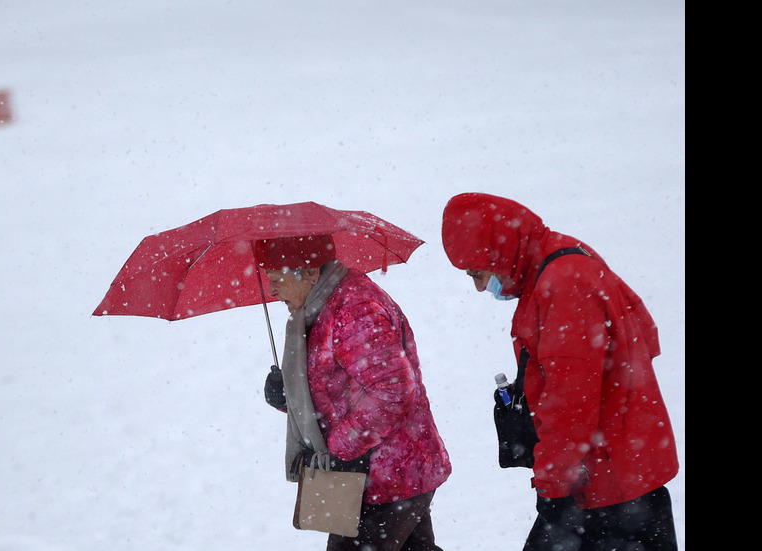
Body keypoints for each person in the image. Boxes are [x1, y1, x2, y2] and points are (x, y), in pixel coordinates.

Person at [440, 192, 679, 551]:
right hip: (617, 474)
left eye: (478, 272)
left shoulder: (564, 284)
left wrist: (554, 483)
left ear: (498, 252)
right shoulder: (563, 259)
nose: (477, 287)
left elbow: (571, 402)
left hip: (609, 489)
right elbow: (643, 334)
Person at [255, 234, 451, 551]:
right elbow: (341, 389)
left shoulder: (354, 310)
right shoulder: (322, 307)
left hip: (387, 477)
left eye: (277, 280)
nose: (273, 291)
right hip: (385, 474)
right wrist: (288, 399)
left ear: (310, 273)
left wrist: (339, 448)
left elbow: (392, 390)